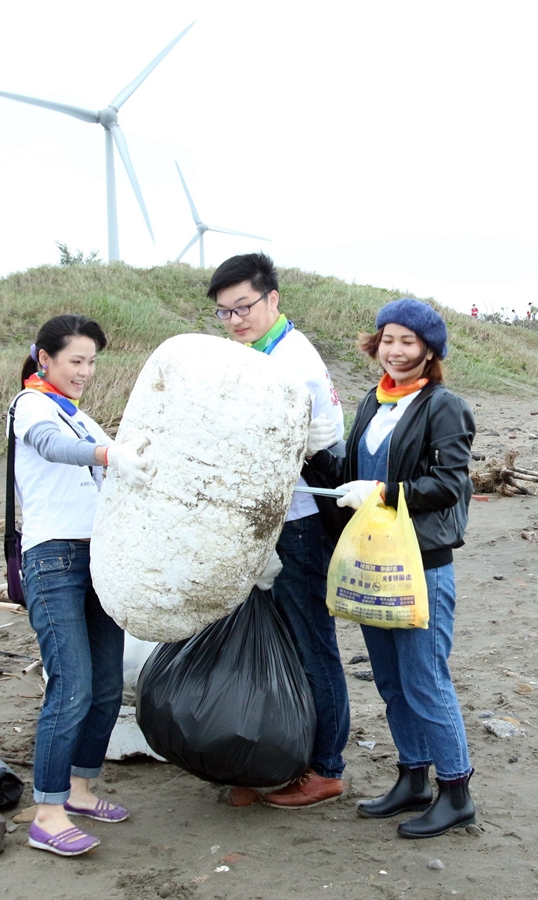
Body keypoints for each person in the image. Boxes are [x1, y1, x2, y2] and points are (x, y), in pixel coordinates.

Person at [306, 297, 476, 839]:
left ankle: (457, 791)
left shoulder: (443, 406)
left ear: (429, 351)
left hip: (422, 565)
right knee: (391, 681)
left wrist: (382, 491)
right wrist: (309, 449)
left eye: (408, 342)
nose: (395, 351)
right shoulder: (371, 404)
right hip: (374, 562)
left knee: (425, 679)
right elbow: (351, 472)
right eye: (388, 339)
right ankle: (413, 778)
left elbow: (448, 485)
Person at [208, 252, 350, 809]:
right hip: (273, 523)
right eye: (223, 313)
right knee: (280, 643)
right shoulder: (261, 353)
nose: (235, 319)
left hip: (299, 524)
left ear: (272, 299)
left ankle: (325, 768)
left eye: (243, 307)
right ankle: (280, 754)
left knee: (311, 645)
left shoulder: (292, 363)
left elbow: (300, 449)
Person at [11, 314, 155, 857]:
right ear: (45, 359)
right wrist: (107, 453)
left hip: (101, 557)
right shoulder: (32, 406)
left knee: (103, 684)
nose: (85, 371)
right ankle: (46, 812)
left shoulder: (82, 416)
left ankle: (79, 788)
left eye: (92, 361)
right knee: (70, 683)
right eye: (76, 360)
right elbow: (50, 447)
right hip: (53, 559)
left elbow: (123, 462)